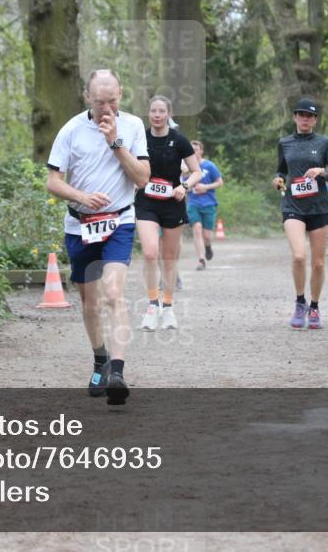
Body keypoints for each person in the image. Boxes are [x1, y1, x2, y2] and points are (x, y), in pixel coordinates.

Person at [46, 70, 150, 405]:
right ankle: (100, 360)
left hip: (119, 221)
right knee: (90, 302)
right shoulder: (71, 130)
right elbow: (52, 182)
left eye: (112, 100)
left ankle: (117, 373)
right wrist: (81, 195)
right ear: (87, 96)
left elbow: (143, 178)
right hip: (81, 225)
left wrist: (115, 142)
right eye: (99, 101)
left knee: (113, 293)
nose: (106, 107)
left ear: (121, 93)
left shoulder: (132, 126)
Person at [271, 98, 328, 330]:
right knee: (299, 256)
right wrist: (278, 179)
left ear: (315, 120)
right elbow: (281, 170)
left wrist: (323, 172)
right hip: (293, 206)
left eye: (309, 115)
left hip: (319, 208)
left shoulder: (324, 143)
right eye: (301, 114)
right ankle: (300, 302)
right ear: (294, 117)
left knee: (319, 263)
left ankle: (314, 306)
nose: (305, 119)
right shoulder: (285, 143)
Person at [134, 96, 202, 331]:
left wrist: (184, 187)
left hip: (172, 203)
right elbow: (128, 165)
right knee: (151, 253)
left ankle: (169, 307)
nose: (157, 115)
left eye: (161, 111)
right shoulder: (140, 137)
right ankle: (152, 306)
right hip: (146, 202)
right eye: (153, 110)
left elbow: (197, 172)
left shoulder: (179, 140)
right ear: (148, 113)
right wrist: (133, 180)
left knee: (169, 258)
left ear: (169, 113)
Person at [186, 141, 223, 270]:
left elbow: (219, 182)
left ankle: (208, 247)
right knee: (196, 229)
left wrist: (205, 187)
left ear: (201, 151)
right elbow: (181, 184)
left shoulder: (209, 166)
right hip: (193, 203)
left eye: (196, 149)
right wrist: (189, 188)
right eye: (191, 149)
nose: (193, 151)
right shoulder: (185, 168)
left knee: (207, 235)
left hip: (209, 203)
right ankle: (201, 260)